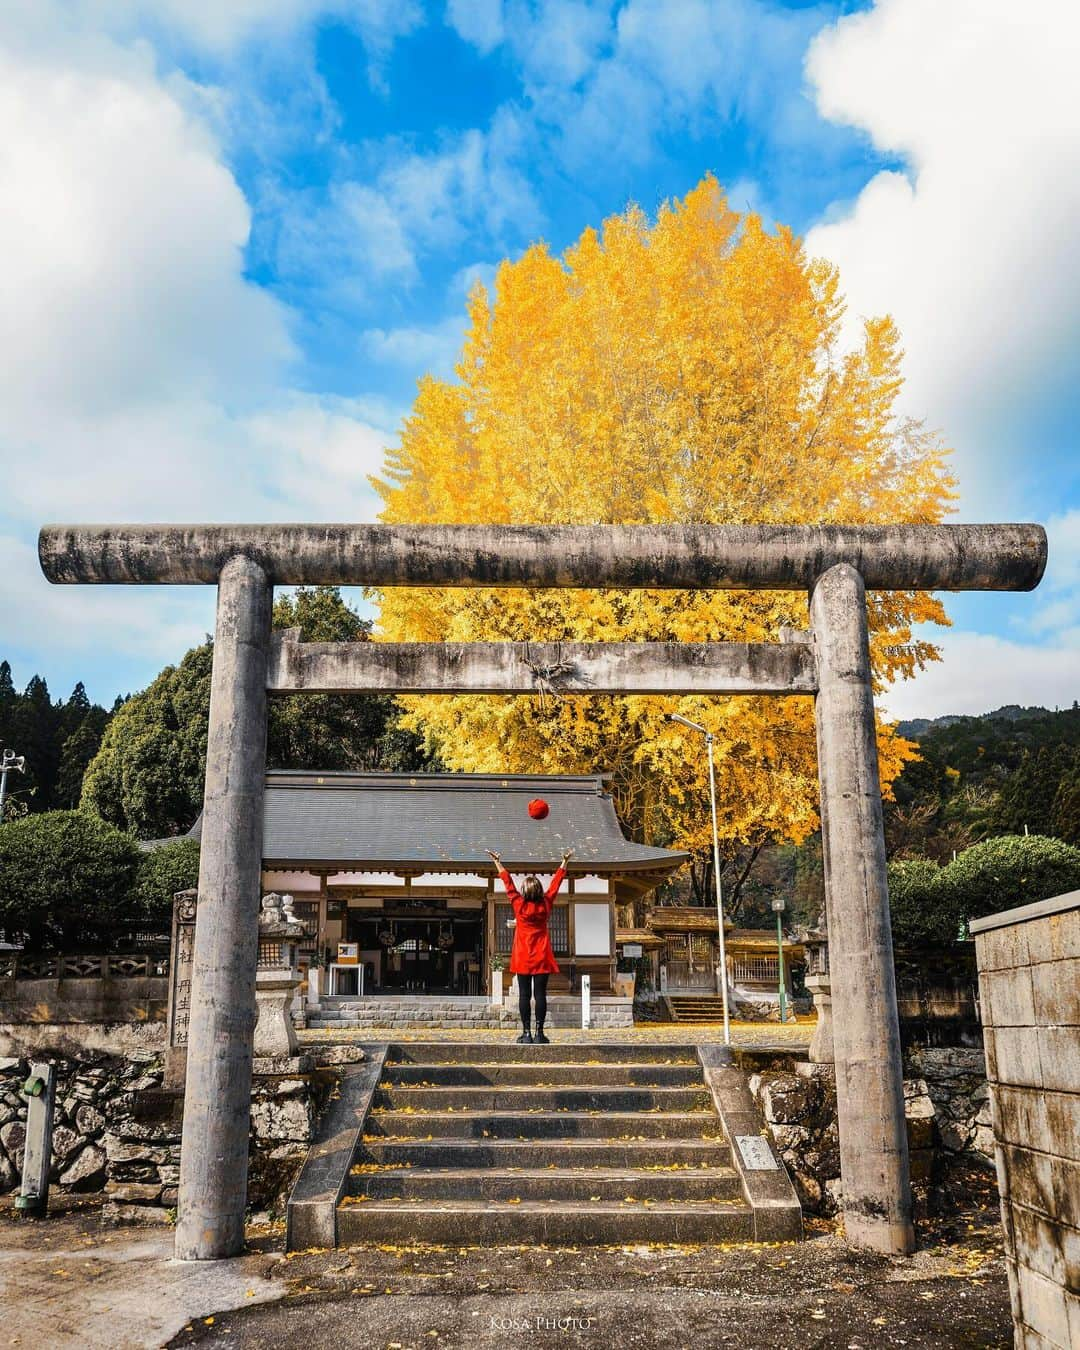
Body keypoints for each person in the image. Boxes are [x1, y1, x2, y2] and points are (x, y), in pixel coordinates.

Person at [486, 846, 573, 1044]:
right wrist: (564, 862)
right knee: (540, 994)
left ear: (524, 891)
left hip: (523, 955)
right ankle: (540, 1033)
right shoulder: (546, 904)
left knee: (524, 995)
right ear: (539, 891)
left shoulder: (519, 904)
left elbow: (508, 883)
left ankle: (526, 1033)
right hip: (542, 954)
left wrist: (497, 862)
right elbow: (555, 884)